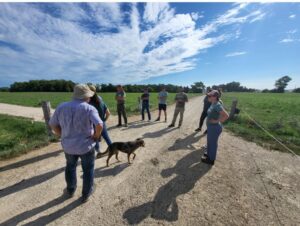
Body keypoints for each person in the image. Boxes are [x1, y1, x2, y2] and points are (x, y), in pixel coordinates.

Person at [49, 84, 103, 203]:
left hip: (68, 146)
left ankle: (70, 190)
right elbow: (99, 124)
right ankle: (86, 193)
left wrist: (62, 134)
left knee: (70, 167)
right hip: (86, 145)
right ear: (86, 96)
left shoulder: (61, 106)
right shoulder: (89, 108)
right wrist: (96, 136)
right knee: (88, 169)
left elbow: (52, 124)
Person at [201, 90, 229, 165]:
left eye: (209, 96)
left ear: (215, 97)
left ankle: (211, 160)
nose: (208, 97)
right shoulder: (213, 103)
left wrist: (216, 121)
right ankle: (209, 154)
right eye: (208, 95)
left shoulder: (217, 105)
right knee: (209, 142)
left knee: (213, 143)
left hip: (214, 128)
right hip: (211, 127)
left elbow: (226, 116)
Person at [88, 85, 113, 155]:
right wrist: (104, 120)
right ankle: (112, 150)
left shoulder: (88, 102)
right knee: (107, 137)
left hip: (93, 123)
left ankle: (98, 152)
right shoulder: (100, 99)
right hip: (102, 122)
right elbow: (108, 113)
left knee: (95, 138)